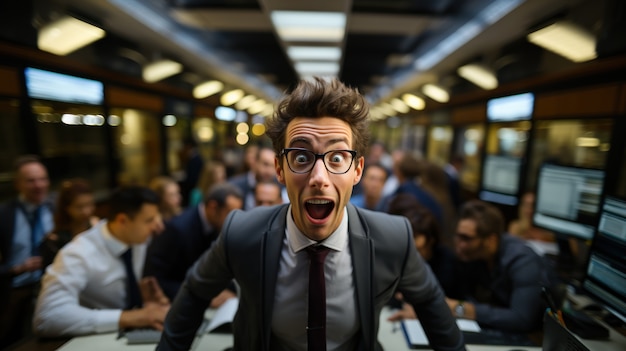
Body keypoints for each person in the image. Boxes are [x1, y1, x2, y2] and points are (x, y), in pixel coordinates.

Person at [156, 77, 464, 351]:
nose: (319, 177)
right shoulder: (241, 233)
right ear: (279, 169)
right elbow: (195, 293)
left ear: (357, 170)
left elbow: (431, 305)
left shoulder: (393, 238)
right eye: (301, 156)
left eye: (338, 156)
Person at [33, 186, 169, 337]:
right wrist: (134, 317)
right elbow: (47, 317)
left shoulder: (138, 239)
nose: (156, 226)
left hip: (132, 332)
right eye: (149, 220)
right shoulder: (78, 253)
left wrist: (146, 304)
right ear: (122, 220)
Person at [445, 199, 548, 333]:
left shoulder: (522, 261)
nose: (459, 244)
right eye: (457, 236)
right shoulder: (474, 255)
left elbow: (522, 319)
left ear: (491, 240)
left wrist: (461, 309)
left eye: (466, 238)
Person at [144, 182, 243, 303]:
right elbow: (155, 279)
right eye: (230, 213)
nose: (235, 220)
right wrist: (205, 296)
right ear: (213, 208)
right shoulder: (177, 230)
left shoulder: (217, 225)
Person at [0, 155, 54, 349]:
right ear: (17, 184)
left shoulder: (55, 209)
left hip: (49, 286)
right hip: (15, 290)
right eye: (31, 180)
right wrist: (16, 268)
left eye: (42, 179)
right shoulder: (5, 215)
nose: (39, 185)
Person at [39, 178, 99, 269]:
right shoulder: (55, 241)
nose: (86, 211)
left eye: (89, 204)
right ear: (67, 208)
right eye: (79, 207)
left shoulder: (97, 227)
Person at [228, 144, 286, 210]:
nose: (269, 171)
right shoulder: (234, 186)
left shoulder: (281, 186)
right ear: (255, 162)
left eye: (273, 166)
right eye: (265, 164)